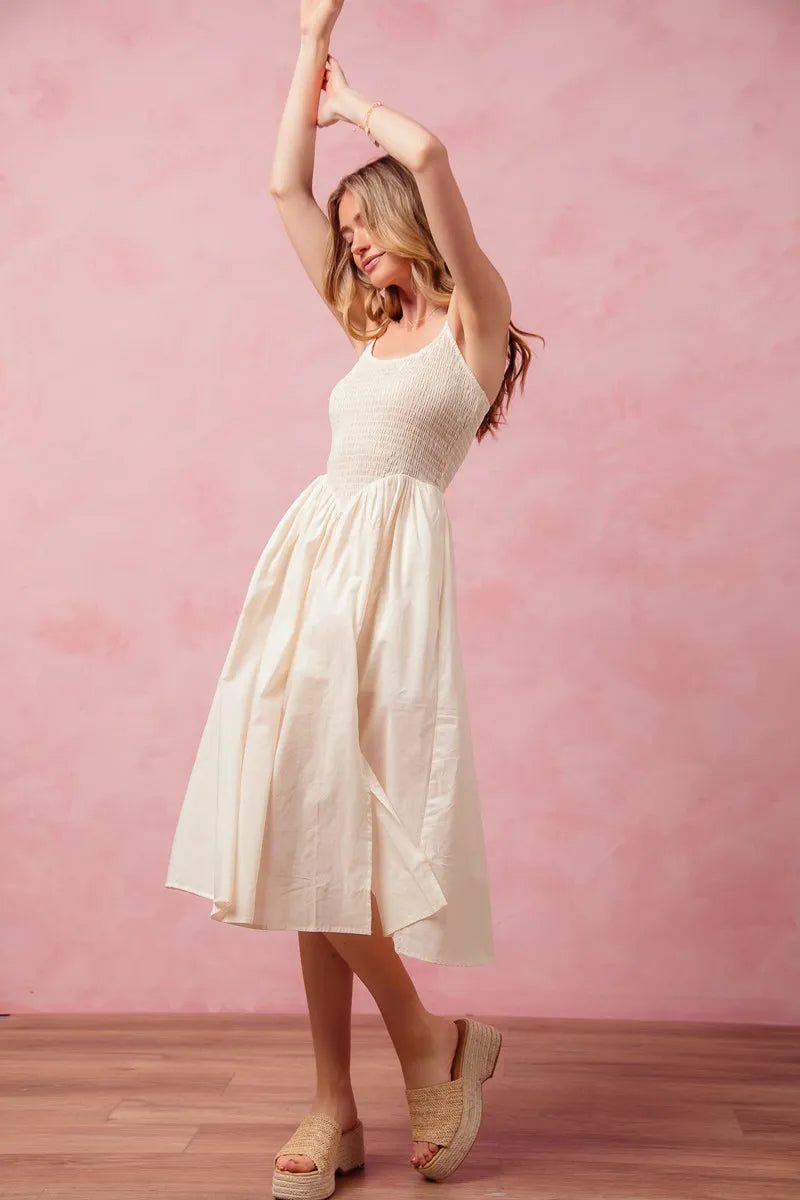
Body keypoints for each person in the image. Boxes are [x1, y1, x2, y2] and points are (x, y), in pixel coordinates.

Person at [165, 2, 543, 1196]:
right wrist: (300, 52)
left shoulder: (468, 326)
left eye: (363, 227)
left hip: (392, 584)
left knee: (344, 839)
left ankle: (420, 1052)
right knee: (298, 826)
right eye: (346, 234)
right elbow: (279, 189)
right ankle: (348, 1096)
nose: (353, 246)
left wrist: (351, 105)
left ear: (401, 224)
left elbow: (427, 156)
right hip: (310, 566)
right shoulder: (363, 323)